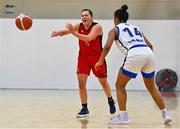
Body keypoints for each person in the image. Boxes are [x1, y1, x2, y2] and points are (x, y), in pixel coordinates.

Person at [95, 5, 172, 124]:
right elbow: (150, 46)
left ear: (116, 19)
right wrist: (145, 59)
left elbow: (107, 47)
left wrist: (100, 61)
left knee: (119, 85)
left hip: (134, 53)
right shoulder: (136, 28)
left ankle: (123, 117)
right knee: (152, 87)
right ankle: (165, 114)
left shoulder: (114, 29)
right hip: (148, 53)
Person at [51, 9, 116, 117]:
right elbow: (65, 32)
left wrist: (73, 32)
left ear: (91, 17)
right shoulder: (79, 26)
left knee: (103, 83)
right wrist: (57, 33)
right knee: (81, 84)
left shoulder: (97, 27)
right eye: (82, 15)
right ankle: (84, 108)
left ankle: (110, 100)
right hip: (83, 58)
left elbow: (89, 38)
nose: (84, 17)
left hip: (97, 59)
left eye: (86, 15)